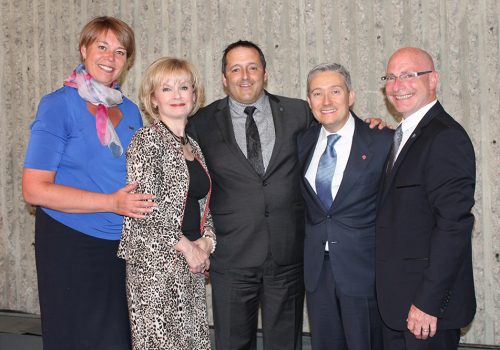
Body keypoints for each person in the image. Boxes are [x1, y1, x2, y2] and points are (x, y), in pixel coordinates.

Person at [22, 16, 155, 350]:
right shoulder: (57, 105)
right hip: (71, 244)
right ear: (84, 50)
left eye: (120, 51)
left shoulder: (131, 111)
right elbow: (34, 189)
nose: (110, 57)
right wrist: (111, 202)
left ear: (128, 61)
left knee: (118, 340)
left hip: (122, 246)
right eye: (102, 46)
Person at [188, 40, 311, 350]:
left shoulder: (299, 112)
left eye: (252, 67)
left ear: (265, 73)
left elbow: (338, 131)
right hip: (231, 256)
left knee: (286, 344)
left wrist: (374, 128)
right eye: (236, 69)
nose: (245, 76)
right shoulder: (201, 122)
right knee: (232, 343)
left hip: (286, 254)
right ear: (224, 78)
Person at [376, 47, 476, 350]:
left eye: (409, 75)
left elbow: (453, 227)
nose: (398, 85)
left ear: (433, 79)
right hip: (397, 306)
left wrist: (428, 303)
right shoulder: (403, 135)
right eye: (391, 77)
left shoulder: (445, 137)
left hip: (424, 311)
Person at [118, 57, 216, 349]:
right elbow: (143, 209)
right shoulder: (146, 141)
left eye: (184, 87)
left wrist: (207, 243)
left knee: (193, 343)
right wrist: (187, 248)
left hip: (190, 264)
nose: (177, 95)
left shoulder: (193, 146)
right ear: (153, 99)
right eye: (167, 88)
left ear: (194, 96)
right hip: (155, 270)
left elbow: (202, 206)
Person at [297, 63, 392, 350]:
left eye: (335, 91)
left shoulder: (383, 141)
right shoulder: (302, 141)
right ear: (310, 101)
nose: (326, 101)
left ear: (351, 96)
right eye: (317, 93)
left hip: (363, 271)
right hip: (317, 272)